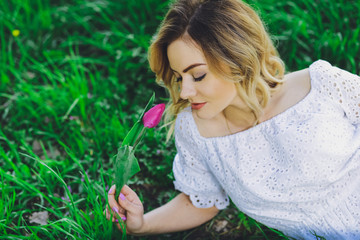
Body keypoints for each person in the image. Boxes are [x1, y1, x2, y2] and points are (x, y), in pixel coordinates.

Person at [106, 0, 360, 239]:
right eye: (178, 77)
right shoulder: (196, 129)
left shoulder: (320, 85)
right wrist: (142, 224)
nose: (184, 92)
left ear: (237, 57)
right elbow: (201, 202)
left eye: (198, 75)